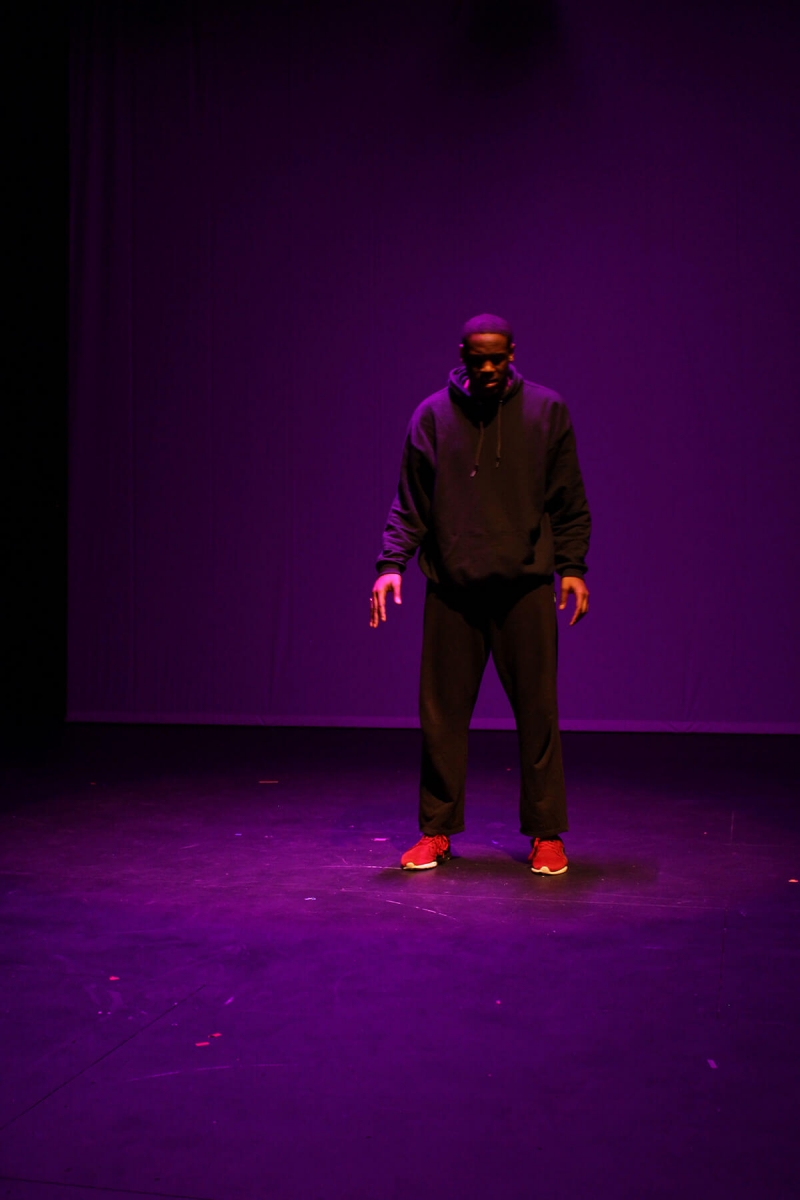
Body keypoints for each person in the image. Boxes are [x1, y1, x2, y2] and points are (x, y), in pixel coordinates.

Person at [370, 313, 591, 874]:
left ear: (512, 353)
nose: (488, 367)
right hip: (454, 589)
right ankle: (436, 831)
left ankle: (546, 835)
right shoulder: (432, 416)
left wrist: (572, 567)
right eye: (478, 359)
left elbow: (568, 497)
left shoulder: (546, 410)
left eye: (497, 357)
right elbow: (411, 501)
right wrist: (391, 565)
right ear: (463, 355)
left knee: (538, 715)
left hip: (524, 587)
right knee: (441, 718)